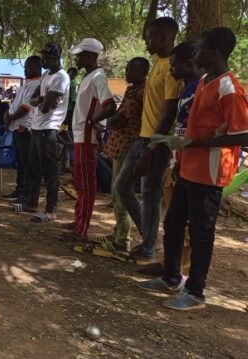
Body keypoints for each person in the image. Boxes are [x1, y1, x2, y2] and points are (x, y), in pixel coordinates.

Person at [138, 27, 248, 310]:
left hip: (210, 173)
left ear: (216, 52)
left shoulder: (230, 89)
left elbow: (243, 134)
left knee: (201, 232)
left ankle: (196, 291)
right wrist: (180, 152)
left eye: (200, 49)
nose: (196, 53)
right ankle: (171, 277)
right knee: (173, 224)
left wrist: (194, 142)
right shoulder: (203, 83)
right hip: (189, 168)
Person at [114, 17, 184, 263]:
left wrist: (153, 146)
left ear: (165, 37)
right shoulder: (157, 61)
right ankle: (148, 238)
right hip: (142, 137)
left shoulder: (171, 67)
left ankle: (149, 246)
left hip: (156, 141)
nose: (146, 40)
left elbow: (169, 111)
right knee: (122, 186)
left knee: (150, 194)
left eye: (150, 37)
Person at [138, 41, 202, 276]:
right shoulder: (186, 89)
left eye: (175, 67)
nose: (171, 70)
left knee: (187, 222)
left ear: (189, 63)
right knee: (173, 218)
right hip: (177, 161)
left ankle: (182, 272)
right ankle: (170, 266)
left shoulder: (201, 90)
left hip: (194, 164)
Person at [63, 39, 117, 240]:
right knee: (80, 181)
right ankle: (79, 220)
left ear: (90, 56)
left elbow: (109, 105)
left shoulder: (98, 78)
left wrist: (92, 121)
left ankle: (82, 228)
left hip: (87, 137)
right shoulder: (89, 77)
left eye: (80, 54)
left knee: (86, 183)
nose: (77, 58)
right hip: (80, 135)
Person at [12, 42, 71, 223]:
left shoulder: (61, 78)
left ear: (55, 58)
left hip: (49, 129)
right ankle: (32, 202)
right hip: (36, 127)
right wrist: (44, 99)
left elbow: (45, 108)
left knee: (50, 171)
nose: (43, 60)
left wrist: (42, 100)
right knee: (33, 168)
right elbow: (34, 99)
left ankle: (51, 209)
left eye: (46, 57)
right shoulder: (46, 75)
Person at [100, 57, 150, 253]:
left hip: (129, 146)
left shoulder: (143, 92)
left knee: (121, 192)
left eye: (130, 69)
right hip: (119, 145)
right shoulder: (131, 90)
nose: (127, 73)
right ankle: (118, 232)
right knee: (115, 191)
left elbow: (122, 119)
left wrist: (113, 120)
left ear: (141, 72)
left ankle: (123, 239)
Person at [2, 56, 43, 201]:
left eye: (28, 67)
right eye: (25, 67)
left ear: (38, 66)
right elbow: (15, 104)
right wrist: (7, 114)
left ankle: (26, 192)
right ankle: (19, 189)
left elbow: (26, 107)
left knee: (27, 163)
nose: (26, 70)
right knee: (20, 162)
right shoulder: (26, 84)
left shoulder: (37, 84)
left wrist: (11, 117)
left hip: (25, 127)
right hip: (15, 127)